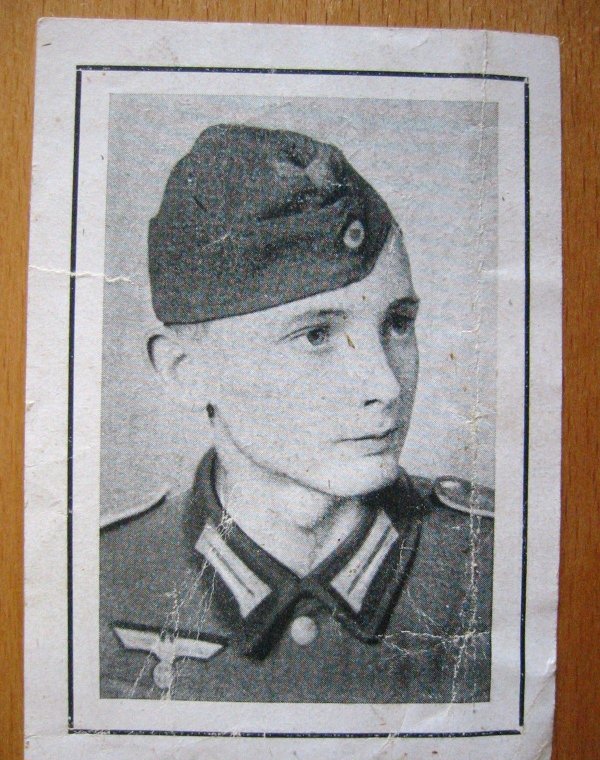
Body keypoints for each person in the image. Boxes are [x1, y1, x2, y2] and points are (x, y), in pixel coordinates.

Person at [100, 124, 493, 703]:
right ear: (186, 371)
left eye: (397, 323)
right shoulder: (100, 576)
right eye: (315, 335)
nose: (385, 384)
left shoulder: (497, 564)